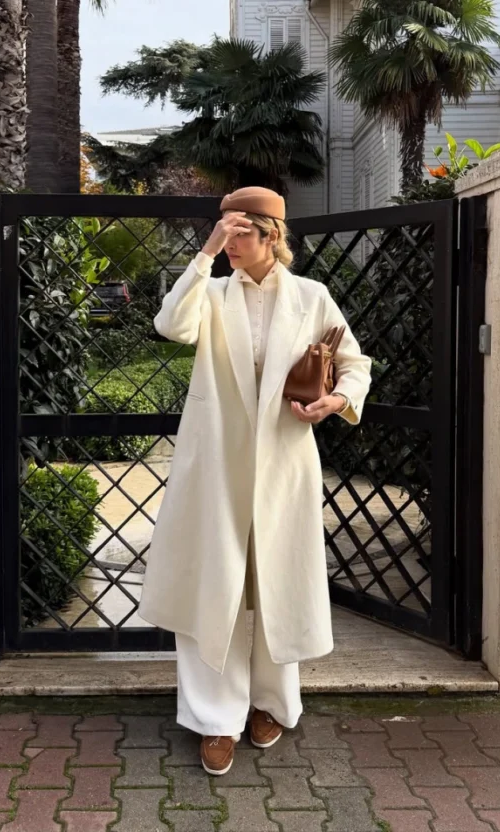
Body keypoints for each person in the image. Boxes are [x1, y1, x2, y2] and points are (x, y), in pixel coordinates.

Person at [137, 186, 372, 776]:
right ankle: (214, 718)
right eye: (224, 230)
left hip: (284, 461)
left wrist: (338, 399)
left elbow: (354, 362)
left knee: (277, 583)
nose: (229, 241)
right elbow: (170, 325)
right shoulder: (213, 292)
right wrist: (205, 254)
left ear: (272, 235)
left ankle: (271, 703)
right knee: (212, 583)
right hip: (215, 461)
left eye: (240, 231)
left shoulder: (311, 296)